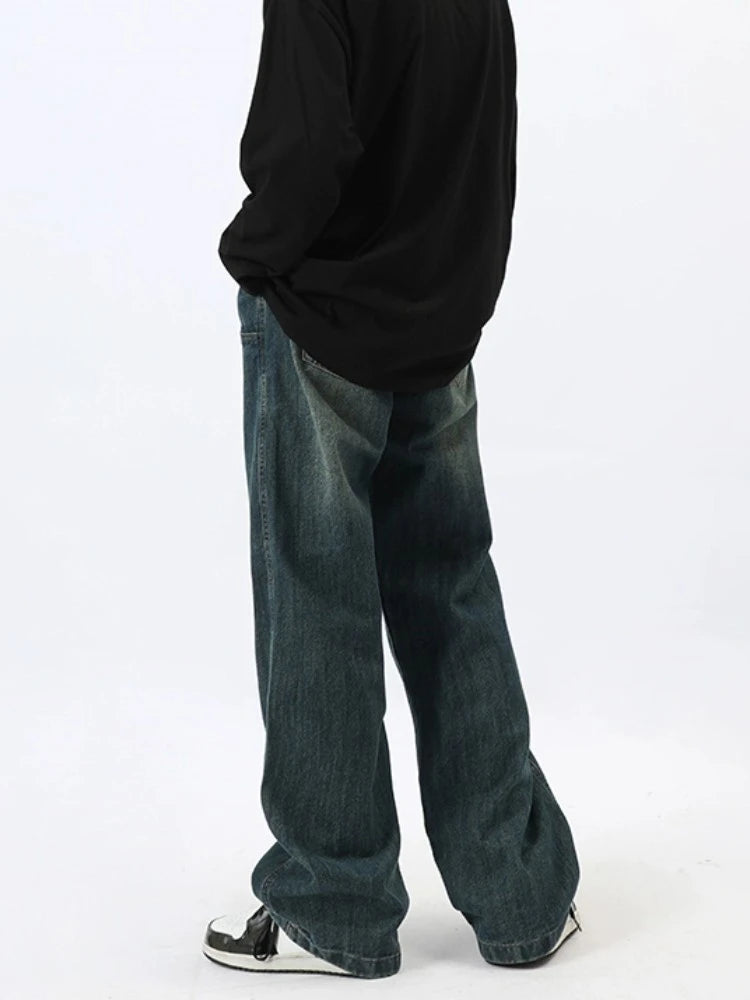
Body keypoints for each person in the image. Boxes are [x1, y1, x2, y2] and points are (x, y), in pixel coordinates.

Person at [202, 0, 581, 980]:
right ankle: (523, 896)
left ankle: (333, 904)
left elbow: (305, 149)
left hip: (324, 325)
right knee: (451, 589)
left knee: (314, 599)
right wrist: (462, 298)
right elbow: (490, 144)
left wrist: (251, 258)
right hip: (436, 322)